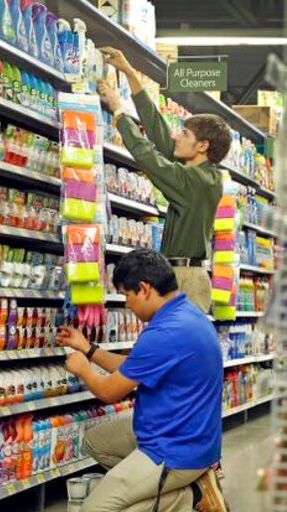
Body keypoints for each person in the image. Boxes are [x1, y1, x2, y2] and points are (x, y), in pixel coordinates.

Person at [58, 249, 230, 512]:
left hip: (175, 449)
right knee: (95, 441)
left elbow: (109, 391)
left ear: (145, 289)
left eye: (127, 295)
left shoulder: (164, 333)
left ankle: (193, 498)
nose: (127, 304)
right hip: (180, 434)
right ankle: (165, 484)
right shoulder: (185, 314)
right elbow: (133, 366)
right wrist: (88, 349)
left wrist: (83, 369)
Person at [97, 47, 232, 313]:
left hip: (186, 279)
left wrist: (118, 111)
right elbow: (158, 131)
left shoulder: (199, 181)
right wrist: (128, 72)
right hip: (176, 272)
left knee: (179, 348)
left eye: (184, 133)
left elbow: (149, 158)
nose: (175, 137)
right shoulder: (197, 171)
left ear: (202, 146)